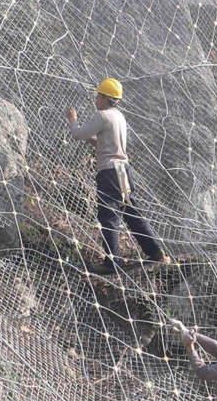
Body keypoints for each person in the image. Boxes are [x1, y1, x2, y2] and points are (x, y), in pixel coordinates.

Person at [65, 78, 170, 274]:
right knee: (132, 213)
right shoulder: (118, 116)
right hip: (124, 171)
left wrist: (72, 120)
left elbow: (77, 134)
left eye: (98, 95)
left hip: (109, 173)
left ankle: (112, 262)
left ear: (106, 98)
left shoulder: (103, 116)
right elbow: (102, 143)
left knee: (109, 217)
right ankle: (156, 252)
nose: (96, 98)